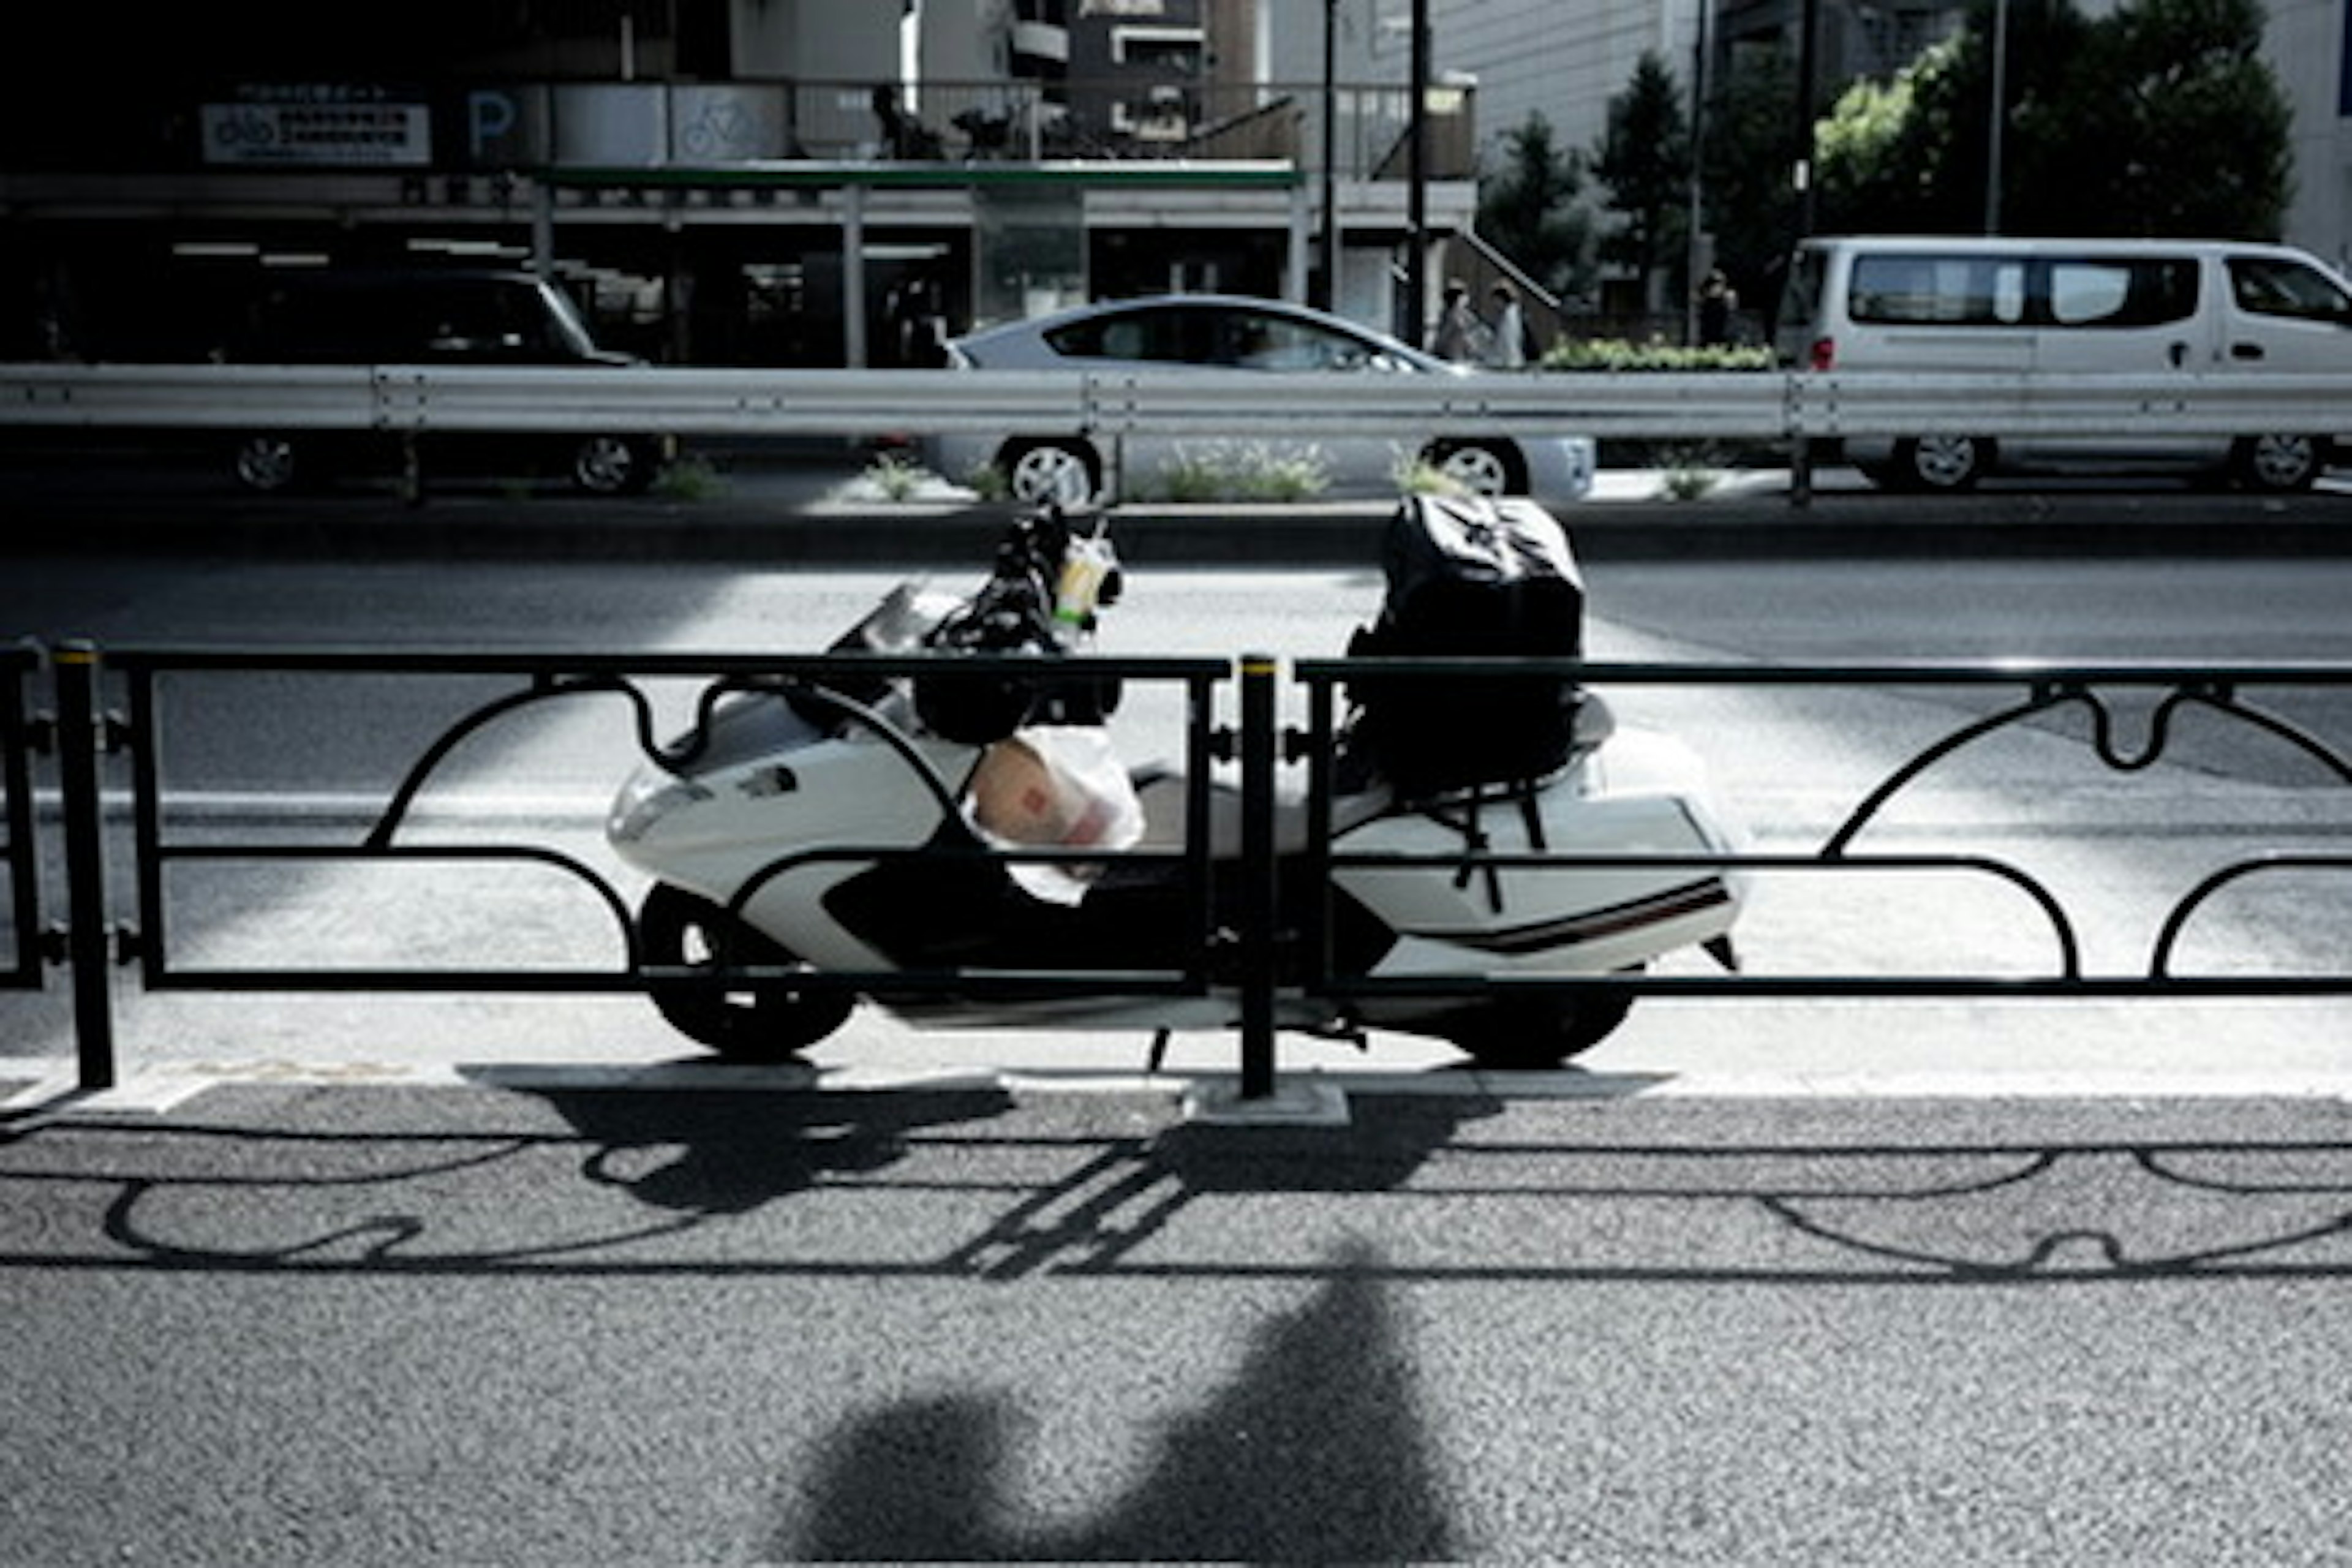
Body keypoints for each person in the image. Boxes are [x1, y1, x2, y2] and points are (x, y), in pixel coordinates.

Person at [1430, 279, 1487, 363]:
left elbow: (1478, 330)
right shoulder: (1452, 316)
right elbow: (1443, 338)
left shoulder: (1464, 315)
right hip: (1451, 358)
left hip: (1461, 358)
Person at [1483, 281, 1528, 369]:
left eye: (1495, 300)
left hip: (1509, 363)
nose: (1494, 304)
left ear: (1501, 298)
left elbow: (1508, 340)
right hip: (1511, 361)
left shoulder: (1510, 316)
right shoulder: (1510, 313)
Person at [1697, 268, 1738, 347]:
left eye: (1720, 286)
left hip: (1724, 337)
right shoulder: (1707, 303)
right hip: (1709, 337)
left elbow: (1730, 319)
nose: (1718, 289)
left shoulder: (1725, 301)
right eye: (1715, 286)